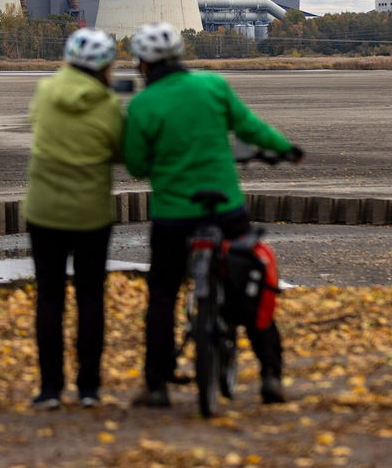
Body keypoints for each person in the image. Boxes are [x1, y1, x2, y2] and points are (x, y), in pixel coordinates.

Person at [122, 22, 302, 408]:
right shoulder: (212, 86)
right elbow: (249, 128)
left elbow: (135, 164)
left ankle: (156, 385)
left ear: (143, 64)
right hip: (225, 209)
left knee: (163, 296)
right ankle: (271, 375)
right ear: (179, 55)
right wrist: (286, 149)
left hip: (173, 213)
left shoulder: (142, 104)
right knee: (250, 285)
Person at [23, 27, 123, 410]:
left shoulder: (46, 91)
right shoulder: (107, 103)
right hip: (90, 214)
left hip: (44, 210)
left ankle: (49, 389)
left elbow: (36, 123)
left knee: (49, 299)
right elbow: (117, 150)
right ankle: (88, 388)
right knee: (90, 298)